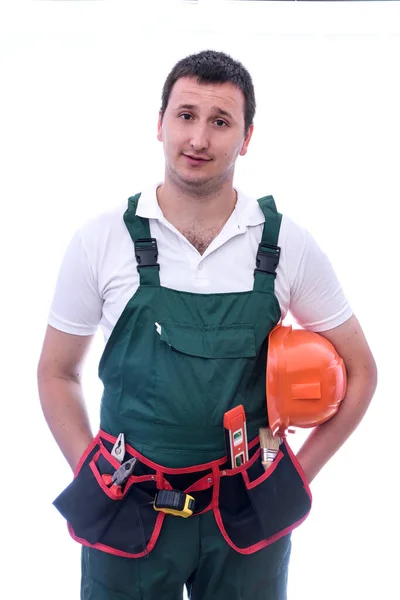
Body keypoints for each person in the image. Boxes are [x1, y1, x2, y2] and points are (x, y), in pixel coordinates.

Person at [37, 50, 377, 600]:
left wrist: (296, 477)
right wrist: (94, 474)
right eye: (186, 115)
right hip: (131, 516)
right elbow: (56, 373)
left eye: (220, 122)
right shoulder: (102, 240)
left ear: (246, 139)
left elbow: (362, 371)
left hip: (246, 518)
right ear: (160, 123)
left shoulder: (286, 244)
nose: (198, 138)